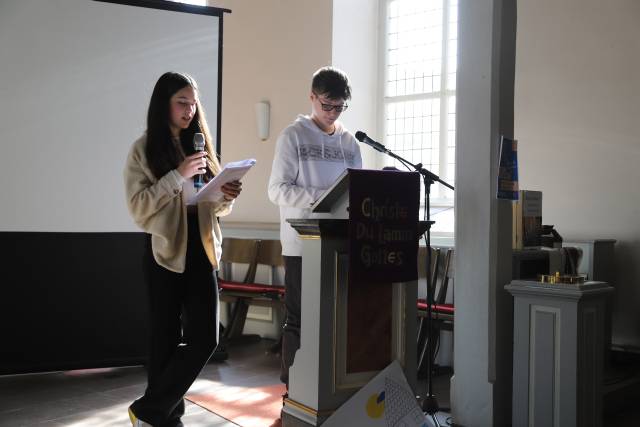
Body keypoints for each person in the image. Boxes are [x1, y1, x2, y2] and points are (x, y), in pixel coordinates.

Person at [123, 71, 242, 427]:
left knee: (206, 338)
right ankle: (166, 417)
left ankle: (149, 409)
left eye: (193, 103)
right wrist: (177, 175)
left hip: (202, 246)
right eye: (182, 102)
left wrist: (226, 195)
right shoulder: (143, 149)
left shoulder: (200, 144)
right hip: (164, 248)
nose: (190, 110)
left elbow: (214, 205)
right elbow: (139, 207)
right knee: (164, 336)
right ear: (164, 104)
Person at [267, 66, 362, 389]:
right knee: (300, 319)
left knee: (337, 318)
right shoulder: (293, 136)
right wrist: (323, 198)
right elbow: (277, 189)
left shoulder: (350, 143)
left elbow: (357, 189)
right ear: (312, 97)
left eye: (340, 107)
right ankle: (293, 387)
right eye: (327, 105)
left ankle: (328, 386)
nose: (333, 113)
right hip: (301, 243)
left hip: (340, 242)